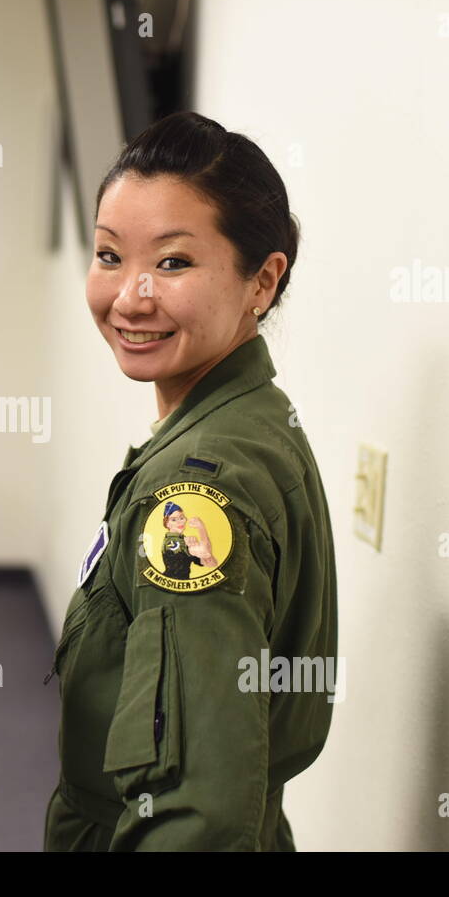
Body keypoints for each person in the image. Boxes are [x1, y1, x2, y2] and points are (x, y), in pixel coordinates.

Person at [44, 111, 339, 851]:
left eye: (173, 263)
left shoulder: (197, 488)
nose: (131, 296)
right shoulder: (255, 420)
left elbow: (195, 813)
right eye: (109, 255)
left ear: (261, 282)